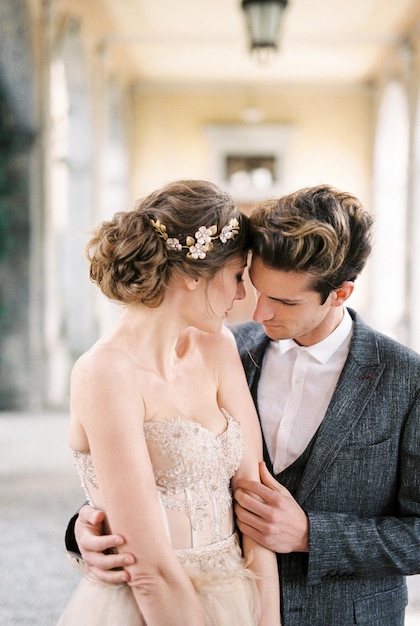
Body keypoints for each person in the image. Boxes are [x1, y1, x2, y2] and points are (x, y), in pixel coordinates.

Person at [66, 184, 420, 625]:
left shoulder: (405, 378)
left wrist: (314, 535)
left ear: (340, 294)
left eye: (284, 302)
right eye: (252, 286)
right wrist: (88, 526)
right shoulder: (228, 347)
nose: (257, 313)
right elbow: (156, 482)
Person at [57, 179, 280, 626]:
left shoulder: (218, 349)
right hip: (149, 606)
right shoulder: (104, 373)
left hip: (238, 597)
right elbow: (150, 569)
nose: (242, 295)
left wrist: (267, 620)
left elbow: (256, 505)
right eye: (237, 275)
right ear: (193, 274)